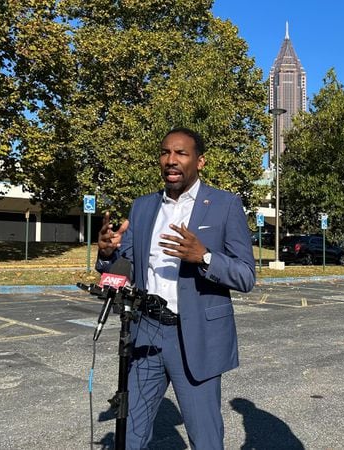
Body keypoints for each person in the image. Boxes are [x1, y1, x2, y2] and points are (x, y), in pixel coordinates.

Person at [96, 127, 256, 449]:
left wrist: (205, 257)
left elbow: (245, 276)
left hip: (194, 337)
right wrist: (107, 254)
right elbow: (124, 269)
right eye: (166, 153)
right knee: (130, 434)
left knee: (206, 439)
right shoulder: (142, 208)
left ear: (200, 161)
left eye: (181, 153)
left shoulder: (225, 205)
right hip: (146, 334)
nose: (172, 160)